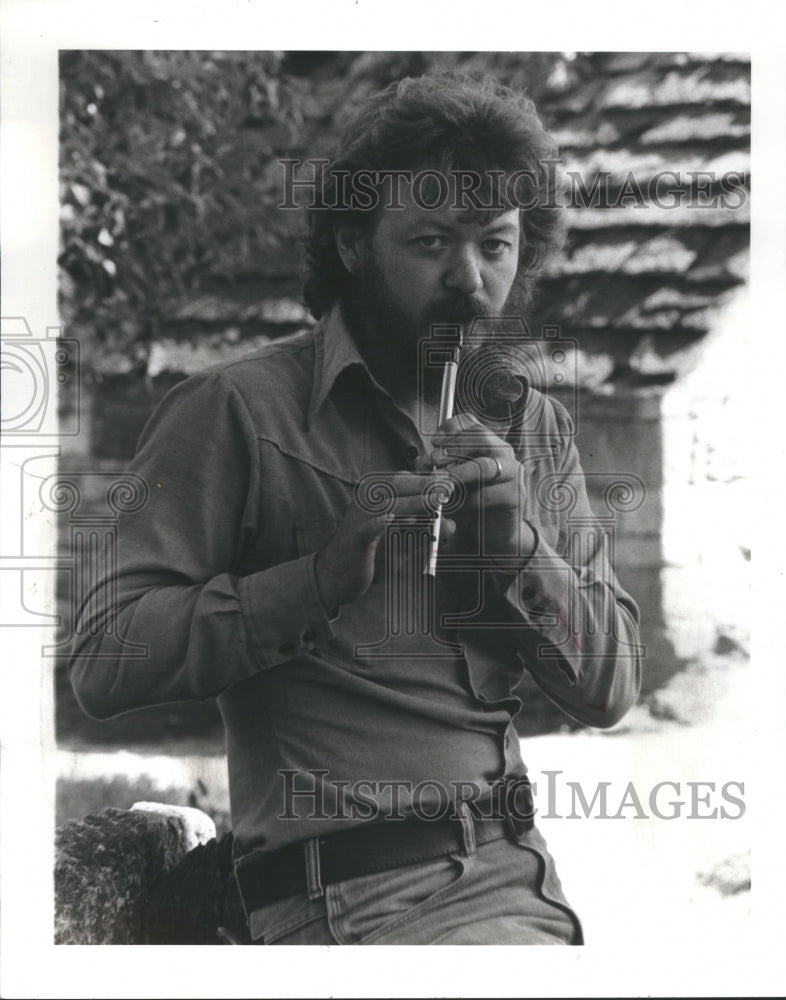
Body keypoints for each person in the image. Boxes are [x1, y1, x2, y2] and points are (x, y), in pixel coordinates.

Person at [69, 71, 642, 945]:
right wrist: (310, 583)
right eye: (429, 243)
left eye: (495, 245)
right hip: (347, 902)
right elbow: (104, 661)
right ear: (350, 243)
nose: (468, 280)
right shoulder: (236, 413)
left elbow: (610, 688)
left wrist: (519, 549)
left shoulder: (531, 426)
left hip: (523, 884)